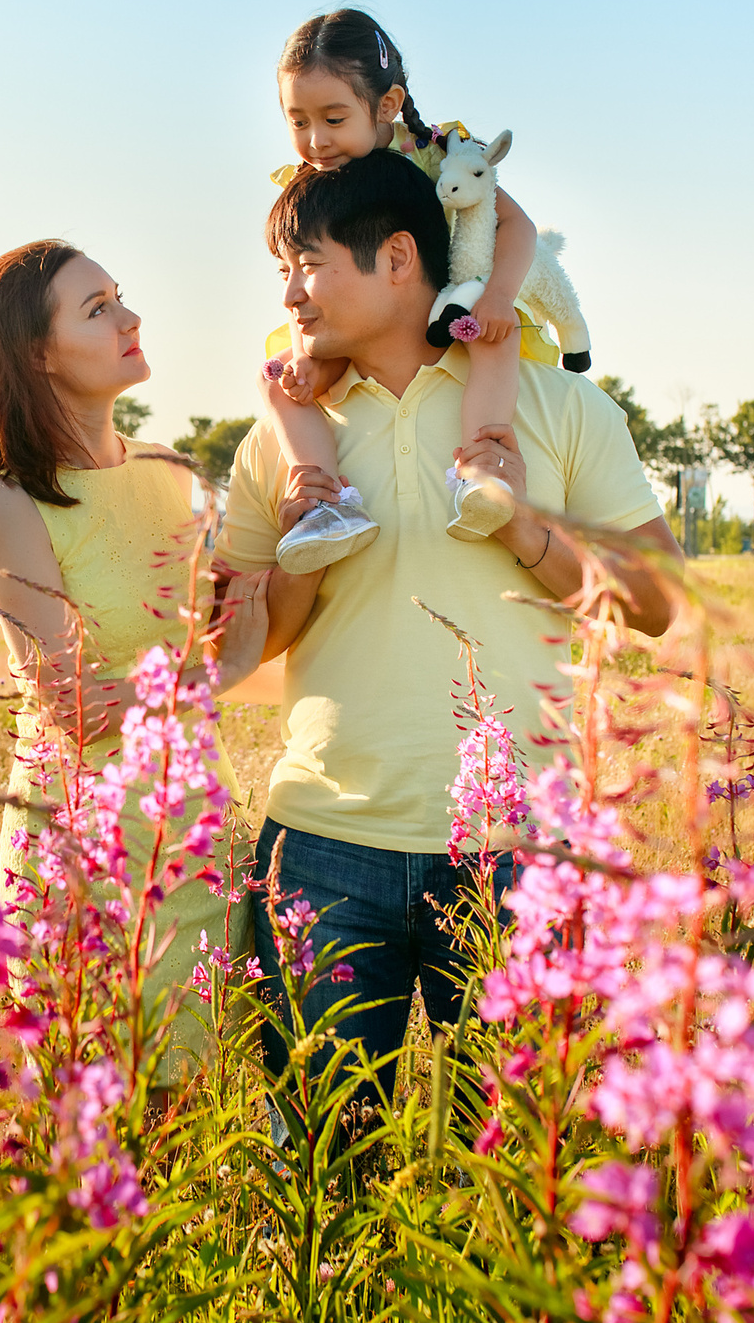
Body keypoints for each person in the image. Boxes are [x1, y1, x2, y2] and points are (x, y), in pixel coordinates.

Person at [220, 149, 680, 1111]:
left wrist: (521, 526)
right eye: (282, 275)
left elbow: (657, 602)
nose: (291, 297)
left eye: (307, 265)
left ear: (397, 258)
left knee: (520, 1183)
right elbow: (243, 648)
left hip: (525, 852)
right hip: (321, 842)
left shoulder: (555, 406)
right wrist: (305, 549)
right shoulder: (282, 433)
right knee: (317, 1174)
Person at [0, 239, 270, 1077]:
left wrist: (284, 534)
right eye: (98, 309)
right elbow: (73, 706)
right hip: (83, 853)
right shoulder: (9, 502)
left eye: (120, 297)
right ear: (37, 354)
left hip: (197, 833)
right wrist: (207, 671)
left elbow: (238, 648)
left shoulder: (171, 475)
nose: (130, 318)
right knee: (98, 1123)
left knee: (196, 1121)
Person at [257, 10, 562, 574]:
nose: (316, 141)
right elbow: (310, 270)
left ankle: (481, 467)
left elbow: (513, 225)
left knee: (493, 336)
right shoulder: (311, 179)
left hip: (453, 296)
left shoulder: (439, 149)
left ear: (388, 105)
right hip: (360, 321)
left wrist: (497, 297)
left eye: (333, 117)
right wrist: (302, 358)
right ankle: (325, 502)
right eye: (297, 121)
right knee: (277, 382)